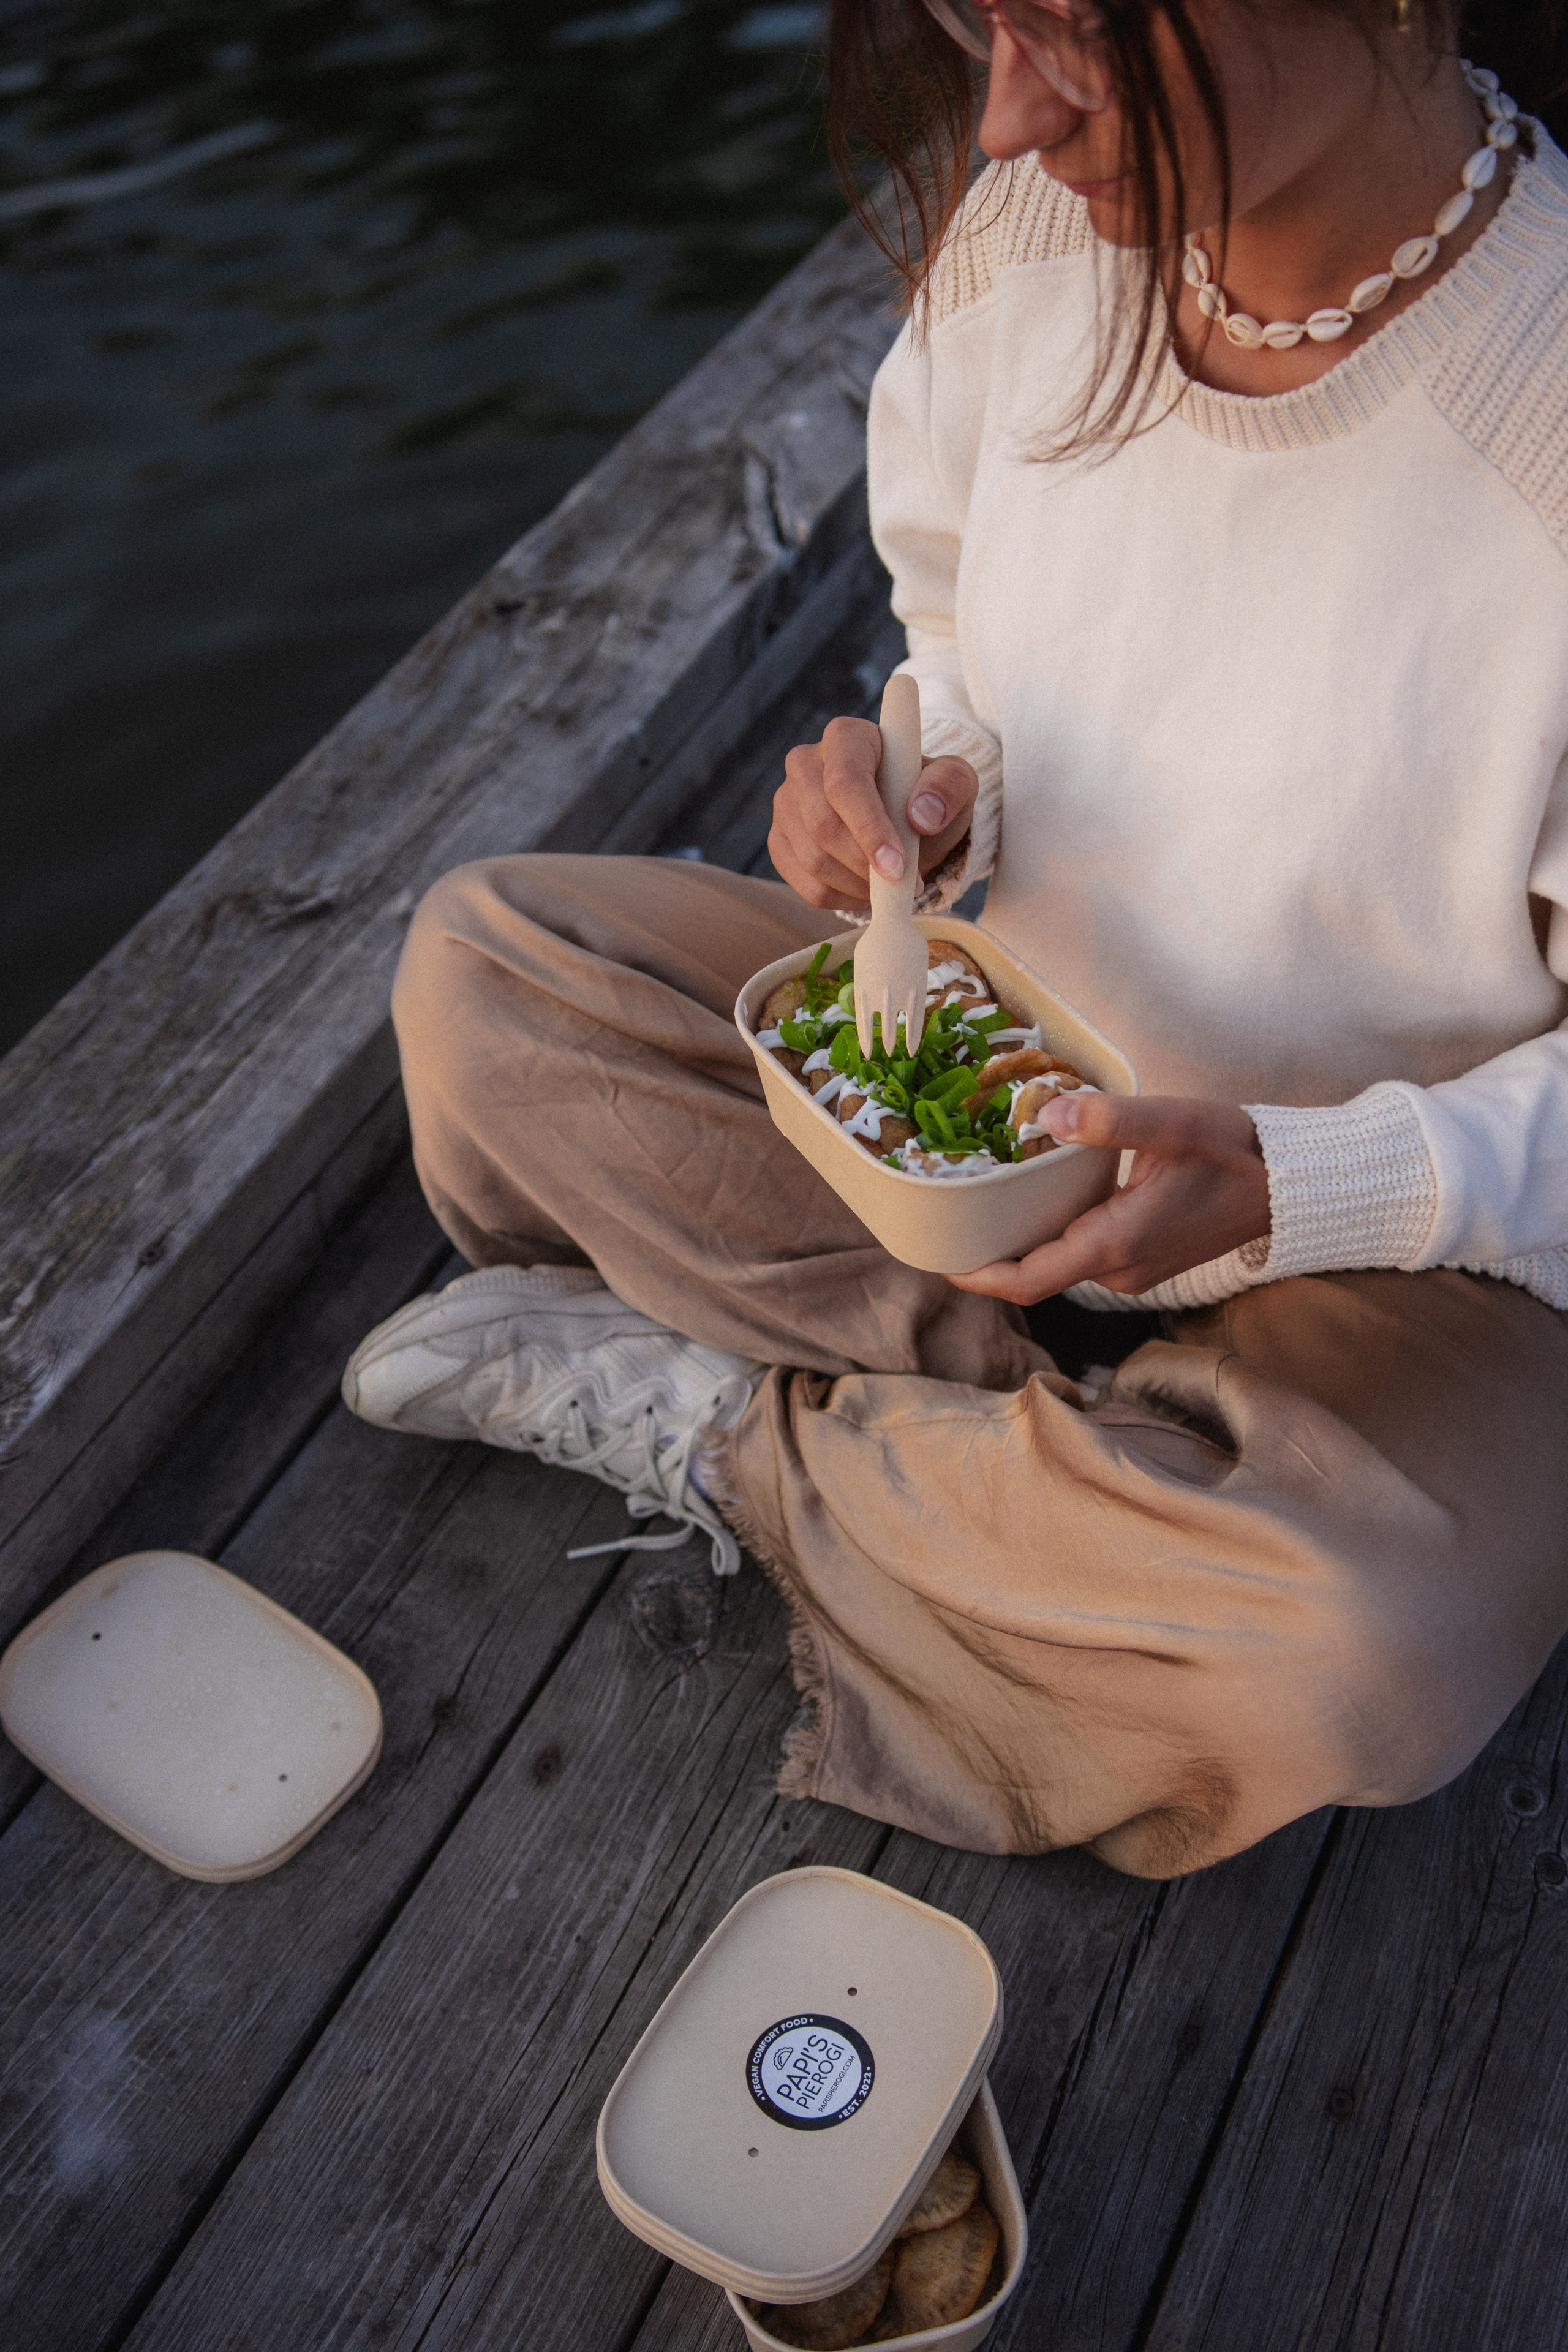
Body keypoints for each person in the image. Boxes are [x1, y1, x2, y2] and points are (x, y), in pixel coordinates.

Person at [342, 0, 1568, 1878]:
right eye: (968, 17)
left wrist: (1298, 1185)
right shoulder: (1028, 254)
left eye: (1076, 26)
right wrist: (931, 786)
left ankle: (741, 1441)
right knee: (485, 976)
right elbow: (963, 632)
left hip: (1402, 1256)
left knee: (1362, 1655)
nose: (1003, 118)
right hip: (984, 1124)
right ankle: (1066, 1469)